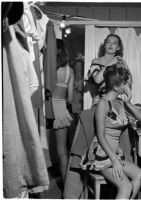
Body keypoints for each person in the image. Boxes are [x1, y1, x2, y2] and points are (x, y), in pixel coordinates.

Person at [81, 64, 141, 199]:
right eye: (125, 83)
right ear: (116, 87)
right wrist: (115, 160)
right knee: (126, 186)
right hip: (103, 154)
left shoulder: (121, 102)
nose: (128, 85)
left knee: (140, 175)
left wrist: (129, 102)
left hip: (115, 153)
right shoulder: (103, 103)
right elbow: (100, 136)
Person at [86, 33, 132, 105]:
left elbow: (129, 82)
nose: (110, 45)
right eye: (108, 42)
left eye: (114, 43)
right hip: (99, 101)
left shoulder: (120, 62)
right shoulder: (96, 61)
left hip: (116, 101)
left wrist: (124, 64)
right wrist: (110, 63)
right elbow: (97, 80)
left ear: (118, 47)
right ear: (105, 45)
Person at [52, 39, 74, 183]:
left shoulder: (47, 67)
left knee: (41, 150)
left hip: (46, 108)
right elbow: (70, 99)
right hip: (61, 110)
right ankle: (67, 191)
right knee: (62, 153)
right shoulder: (69, 71)